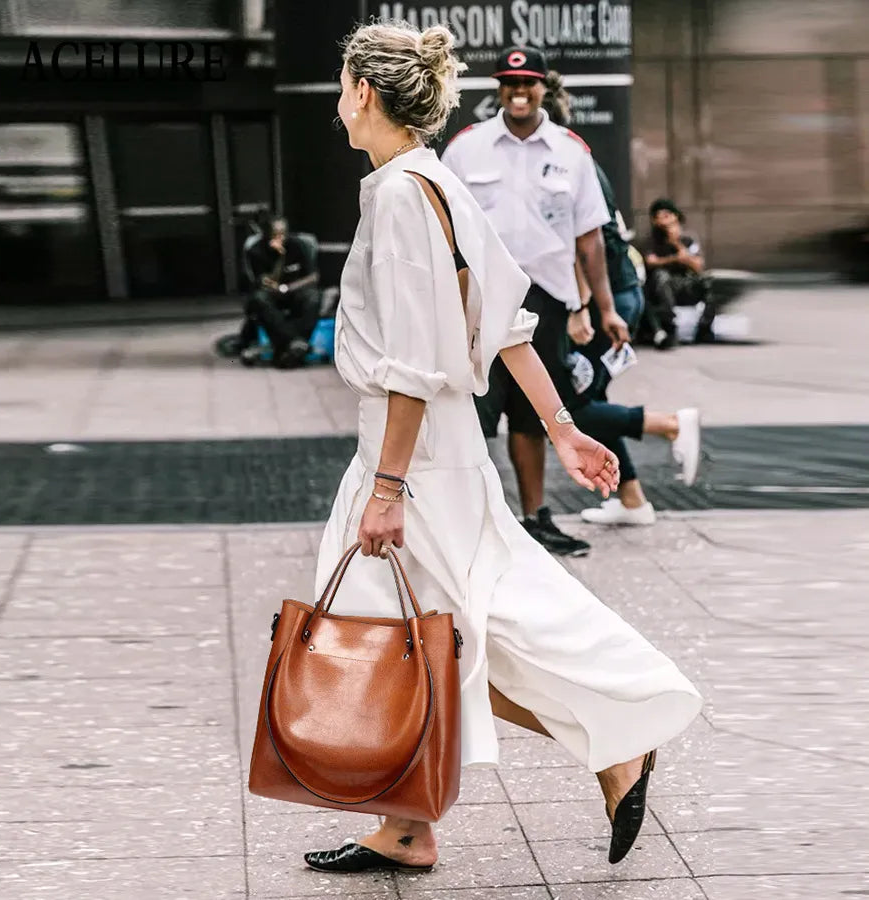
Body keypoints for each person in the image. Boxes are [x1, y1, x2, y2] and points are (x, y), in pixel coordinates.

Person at [296, 22, 702, 875]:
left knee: (412, 636)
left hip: (410, 456)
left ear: (365, 93)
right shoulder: (436, 180)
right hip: (434, 451)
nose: (338, 102)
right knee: (432, 634)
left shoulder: (401, 193)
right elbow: (507, 318)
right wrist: (561, 425)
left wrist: (387, 486)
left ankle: (610, 741)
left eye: (342, 86)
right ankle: (413, 822)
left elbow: (413, 361)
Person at [440, 46, 632, 558]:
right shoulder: (466, 148)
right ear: (499, 89)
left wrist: (603, 308)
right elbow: (442, 233)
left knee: (534, 416)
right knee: (473, 413)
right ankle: (471, 524)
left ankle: (534, 518)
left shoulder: (571, 150)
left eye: (528, 82)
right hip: (478, 300)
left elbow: (590, 238)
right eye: (509, 82)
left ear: (544, 86)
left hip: (546, 299)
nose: (518, 91)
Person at [541, 74, 701, 524]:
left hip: (602, 296)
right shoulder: (579, 157)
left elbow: (580, 242)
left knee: (574, 405)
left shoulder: (563, 162)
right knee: (590, 399)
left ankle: (670, 424)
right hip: (616, 291)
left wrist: (581, 309)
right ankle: (632, 500)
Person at [239, 212, 320, 368]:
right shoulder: (256, 250)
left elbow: (313, 277)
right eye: (275, 234)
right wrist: (280, 257)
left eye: (283, 234)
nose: (280, 238)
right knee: (259, 300)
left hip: (294, 289)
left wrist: (288, 288)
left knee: (313, 298)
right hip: (271, 293)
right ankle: (296, 343)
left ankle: (290, 345)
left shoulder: (298, 245)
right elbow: (265, 281)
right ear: (267, 234)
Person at [642, 198, 714, 350]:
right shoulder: (652, 240)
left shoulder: (688, 239)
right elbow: (651, 262)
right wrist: (674, 258)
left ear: (676, 216)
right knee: (661, 278)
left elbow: (698, 266)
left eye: (666, 215)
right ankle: (669, 327)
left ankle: (705, 327)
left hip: (686, 284)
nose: (662, 220)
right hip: (663, 288)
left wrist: (676, 243)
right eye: (658, 216)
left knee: (709, 281)